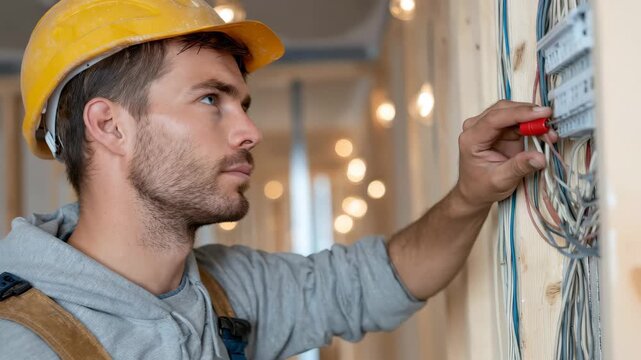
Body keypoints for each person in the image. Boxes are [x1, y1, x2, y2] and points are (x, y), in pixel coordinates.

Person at [0, 0, 553, 359]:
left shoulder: (227, 291)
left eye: (243, 103)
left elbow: (379, 280)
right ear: (110, 126)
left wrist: (469, 195)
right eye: (211, 99)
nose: (249, 131)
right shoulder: (22, 341)